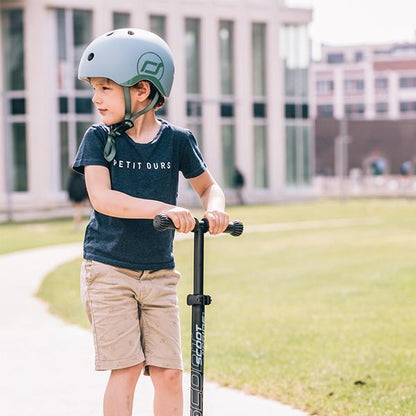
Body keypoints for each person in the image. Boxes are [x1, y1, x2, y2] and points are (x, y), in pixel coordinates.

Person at [72, 28, 229, 416]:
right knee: (124, 369)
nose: (96, 98)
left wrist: (215, 209)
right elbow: (103, 199)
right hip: (109, 270)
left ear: (142, 89)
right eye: (95, 87)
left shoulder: (177, 140)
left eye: (105, 87)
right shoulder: (98, 139)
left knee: (169, 373)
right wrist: (162, 208)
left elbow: (209, 187)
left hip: (159, 273)